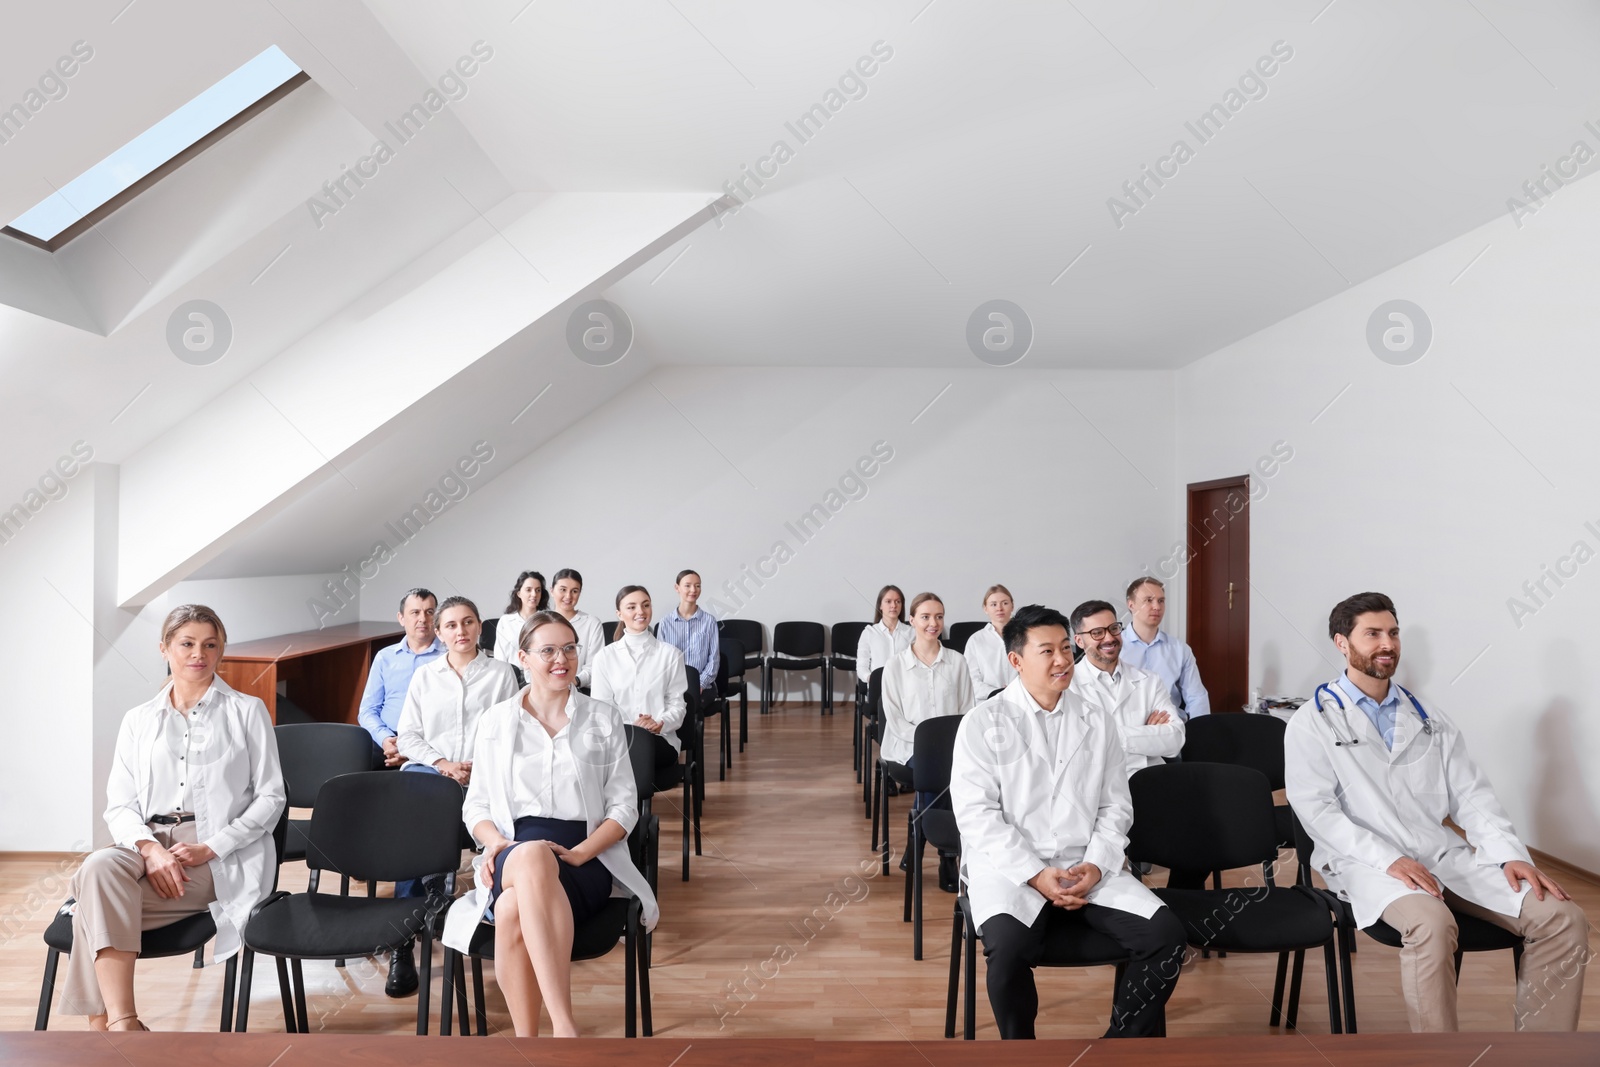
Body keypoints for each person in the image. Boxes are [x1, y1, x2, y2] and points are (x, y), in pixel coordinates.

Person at [1287, 592, 1589, 1033]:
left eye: (1392, 632)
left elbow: (1471, 796)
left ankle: (1542, 1054)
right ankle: (1439, 1057)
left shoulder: (1431, 719)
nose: (1386, 644)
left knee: (1563, 919)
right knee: (1431, 923)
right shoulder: (1312, 722)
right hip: (1368, 863)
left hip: (1441, 854)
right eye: (1372, 634)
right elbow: (1317, 811)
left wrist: (1511, 855)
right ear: (1341, 643)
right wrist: (1388, 859)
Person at [951, 605, 1186, 1039]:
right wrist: (1036, 875)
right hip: (1012, 871)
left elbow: (1115, 806)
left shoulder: (1098, 720)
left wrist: (1096, 864)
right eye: (1047, 651)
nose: (1062, 660)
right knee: (1008, 950)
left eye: (1065, 648)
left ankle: (1119, 1047)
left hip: (1086, 864)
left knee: (1166, 936)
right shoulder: (982, 723)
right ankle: (1022, 1051)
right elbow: (977, 817)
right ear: (1016, 661)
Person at [63, 605, 285, 1031]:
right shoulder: (138, 720)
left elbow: (271, 797)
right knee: (99, 866)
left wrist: (211, 846)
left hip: (215, 850)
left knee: (93, 900)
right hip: (145, 840)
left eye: (209, 644)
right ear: (164, 648)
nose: (198, 654)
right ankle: (124, 1021)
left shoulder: (247, 710)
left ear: (221, 651)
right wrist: (148, 848)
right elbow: (119, 804)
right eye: (186, 643)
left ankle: (105, 1026)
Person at [442, 610, 658, 1038]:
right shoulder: (496, 721)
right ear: (523, 657)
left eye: (570, 648)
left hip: (585, 858)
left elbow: (624, 807)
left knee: (509, 909)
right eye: (548, 651)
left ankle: (528, 1043)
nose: (562, 659)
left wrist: (580, 852)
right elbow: (476, 806)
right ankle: (564, 1026)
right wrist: (498, 844)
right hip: (511, 850)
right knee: (532, 855)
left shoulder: (602, 717)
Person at [389, 596, 519, 994]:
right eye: (450, 625)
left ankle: (482, 923)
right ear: (439, 631)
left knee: (498, 821)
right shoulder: (425, 677)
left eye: (467, 623)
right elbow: (408, 734)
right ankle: (402, 941)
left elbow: (511, 731)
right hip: (433, 771)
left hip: (486, 774)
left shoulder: (502, 674)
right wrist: (444, 763)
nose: (459, 632)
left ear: (481, 626)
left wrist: (477, 766)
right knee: (413, 826)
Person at [882, 593, 975, 890]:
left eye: (938, 616)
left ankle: (917, 839)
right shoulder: (895, 666)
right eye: (925, 617)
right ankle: (947, 855)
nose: (933, 623)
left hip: (951, 748)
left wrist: (947, 746)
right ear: (911, 620)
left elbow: (967, 712)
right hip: (906, 749)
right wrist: (928, 744)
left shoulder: (958, 662)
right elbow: (895, 720)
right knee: (937, 773)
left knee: (946, 771)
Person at [1068, 599, 1184, 775]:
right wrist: (1147, 734)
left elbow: (1175, 740)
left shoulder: (1149, 681)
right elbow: (1076, 750)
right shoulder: (1067, 687)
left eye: (1113, 628)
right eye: (1097, 632)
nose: (1109, 638)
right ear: (1079, 641)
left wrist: (1106, 735)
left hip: (1152, 783)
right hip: (1097, 789)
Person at [590, 585, 689, 779]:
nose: (640, 612)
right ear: (619, 614)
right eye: (632, 607)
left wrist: (660, 723)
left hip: (660, 741)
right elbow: (602, 708)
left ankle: (629, 808)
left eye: (646, 605)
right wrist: (631, 728)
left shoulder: (671, 655)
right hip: (618, 738)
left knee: (638, 750)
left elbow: (678, 705)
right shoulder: (604, 657)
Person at [358, 588, 445, 767]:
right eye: (415, 612)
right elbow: (367, 710)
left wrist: (413, 748)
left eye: (429, 612)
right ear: (401, 618)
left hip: (431, 741)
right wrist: (385, 739)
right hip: (387, 740)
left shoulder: (448, 656)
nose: (423, 619)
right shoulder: (385, 657)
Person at [1120, 577, 1210, 719]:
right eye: (1148, 600)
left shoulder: (1180, 649)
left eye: (1161, 601)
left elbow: (1197, 698)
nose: (1157, 607)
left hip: (1172, 727)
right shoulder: (1115, 648)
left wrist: (1202, 733)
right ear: (1131, 605)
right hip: (1129, 729)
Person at [656, 569, 719, 701]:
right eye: (688, 585)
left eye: (698, 586)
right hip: (673, 686)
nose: (693, 590)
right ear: (677, 588)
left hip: (703, 686)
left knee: (690, 705)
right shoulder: (665, 623)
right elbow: (661, 660)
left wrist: (700, 684)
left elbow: (713, 659)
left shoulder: (709, 621)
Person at [550, 569, 605, 689]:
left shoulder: (592, 623)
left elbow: (594, 667)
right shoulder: (540, 622)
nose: (568, 596)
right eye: (563, 590)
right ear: (552, 591)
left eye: (574, 591)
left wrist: (575, 682)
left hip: (579, 689)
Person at [965, 584, 1018, 697]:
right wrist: (998, 693)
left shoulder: (1024, 636)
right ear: (985, 608)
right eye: (993, 604)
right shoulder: (976, 640)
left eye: (1005, 603)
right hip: (988, 701)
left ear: (1012, 606)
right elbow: (970, 681)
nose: (999, 608)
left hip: (1021, 698)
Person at [855, 584, 911, 681]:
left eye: (898, 601)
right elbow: (861, 666)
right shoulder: (869, 632)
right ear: (880, 605)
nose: (893, 605)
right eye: (888, 601)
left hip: (905, 687)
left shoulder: (911, 632)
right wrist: (872, 679)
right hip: (878, 687)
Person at [494, 571, 549, 665]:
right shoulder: (506, 621)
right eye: (528, 590)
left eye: (538, 590)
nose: (534, 594)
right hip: (512, 675)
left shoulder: (547, 620)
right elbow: (500, 656)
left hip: (539, 675)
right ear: (519, 593)